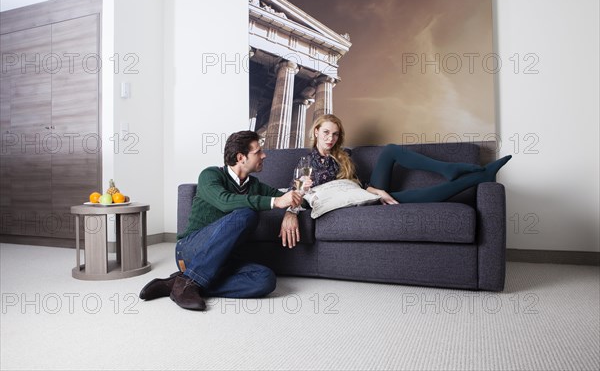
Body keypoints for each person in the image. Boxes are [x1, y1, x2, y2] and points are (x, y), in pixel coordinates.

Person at [139, 131, 304, 311]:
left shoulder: (255, 185)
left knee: (266, 280)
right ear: (241, 157)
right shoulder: (210, 175)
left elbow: (289, 198)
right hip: (190, 249)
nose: (264, 155)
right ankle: (189, 281)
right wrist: (275, 202)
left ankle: (181, 282)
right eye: (258, 152)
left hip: (225, 260)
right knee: (247, 214)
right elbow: (224, 202)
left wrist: (291, 211)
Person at [298, 114, 511, 205]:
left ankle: (449, 168)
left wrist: (376, 191)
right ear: (316, 132)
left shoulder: (344, 157)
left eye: (335, 134)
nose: (330, 138)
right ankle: (482, 175)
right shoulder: (305, 163)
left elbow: (357, 185)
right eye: (326, 132)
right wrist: (304, 190)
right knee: (424, 195)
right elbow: (296, 197)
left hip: (365, 194)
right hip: (352, 204)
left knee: (390, 150)